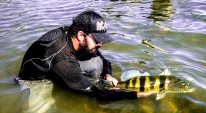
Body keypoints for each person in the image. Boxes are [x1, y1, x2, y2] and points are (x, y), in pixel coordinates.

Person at [17, 11, 155, 101]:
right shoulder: (63, 56)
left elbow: (104, 61)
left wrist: (108, 75)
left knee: (97, 63)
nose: (101, 44)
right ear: (81, 35)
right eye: (97, 39)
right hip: (35, 82)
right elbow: (97, 94)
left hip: (59, 65)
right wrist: (135, 95)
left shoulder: (75, 36)